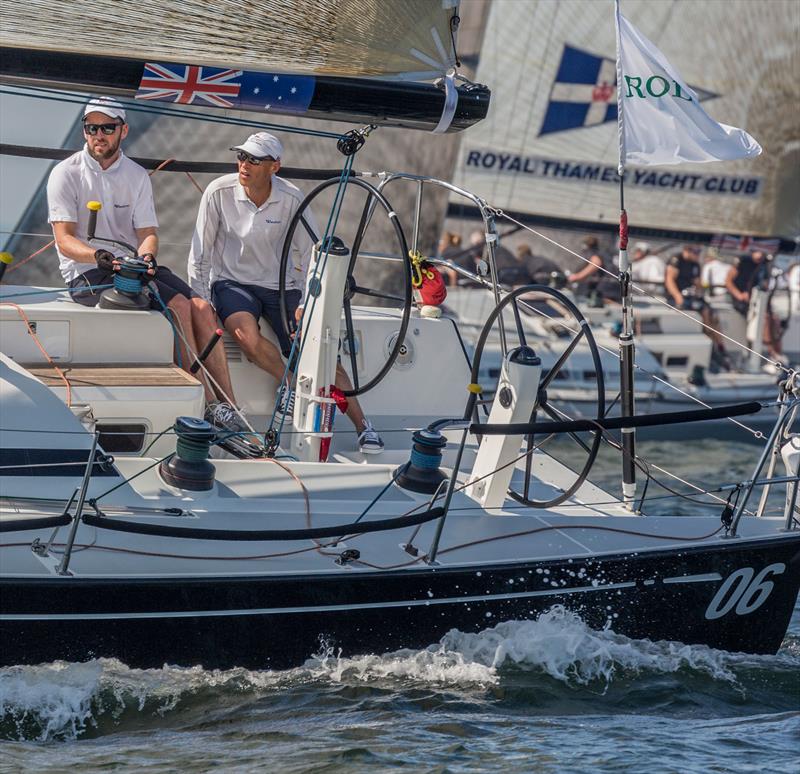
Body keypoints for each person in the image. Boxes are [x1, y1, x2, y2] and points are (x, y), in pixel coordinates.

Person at [47, 97, 244, 433]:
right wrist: (98, 256)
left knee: (203, 308)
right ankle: (208, 405)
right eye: (91, 128)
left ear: (123, 130)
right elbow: (64, 240)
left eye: (107, 128)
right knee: (181, 306)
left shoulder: (136, 175)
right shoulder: (65, 174)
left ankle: (231, 405)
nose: (98, 135)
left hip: (132, 266)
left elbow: (148, 235)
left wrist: (146, 257)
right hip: (88, 273)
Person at [187, 131, 384, 453]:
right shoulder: (218, 191)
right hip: (231, 284)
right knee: (246, 337)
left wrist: (309, 303)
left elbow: (312, 255)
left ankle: (364, 426)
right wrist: (202, 300)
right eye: (241, 157)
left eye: (253, 159)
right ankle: (292, 386)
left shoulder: (292, 197)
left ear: (274, 166)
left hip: (282, 286)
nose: (244, 164)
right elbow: (200, 252)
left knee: (319, 345)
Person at [664, 247, 730, 368]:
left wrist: (700, 290)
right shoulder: (676, 260)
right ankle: (712, 348)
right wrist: (678, 297)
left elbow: (697, 282)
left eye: (699, 252)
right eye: (695, 251)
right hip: (676, 297)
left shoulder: (695, 265)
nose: (698, 254)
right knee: (703, 314)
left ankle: (719, 348)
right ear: (686, 250)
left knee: (712, 315)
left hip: (691, 297)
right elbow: (669, 280)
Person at [725, 249, 783, 363]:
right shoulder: (742, 261)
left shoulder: (765, 265)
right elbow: (728, 281)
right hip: (742, 301)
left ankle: (778, 354)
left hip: (758, 300)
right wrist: (740, 295)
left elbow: (765, 284)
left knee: (775, 320)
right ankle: (772, 354)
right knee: (765, 319)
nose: (760, 255)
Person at [566, 236, 617, 303]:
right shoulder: (602, 253)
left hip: (605, 291)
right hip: (613, 289)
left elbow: (596, 263)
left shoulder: (593, 253)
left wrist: (577, 277)